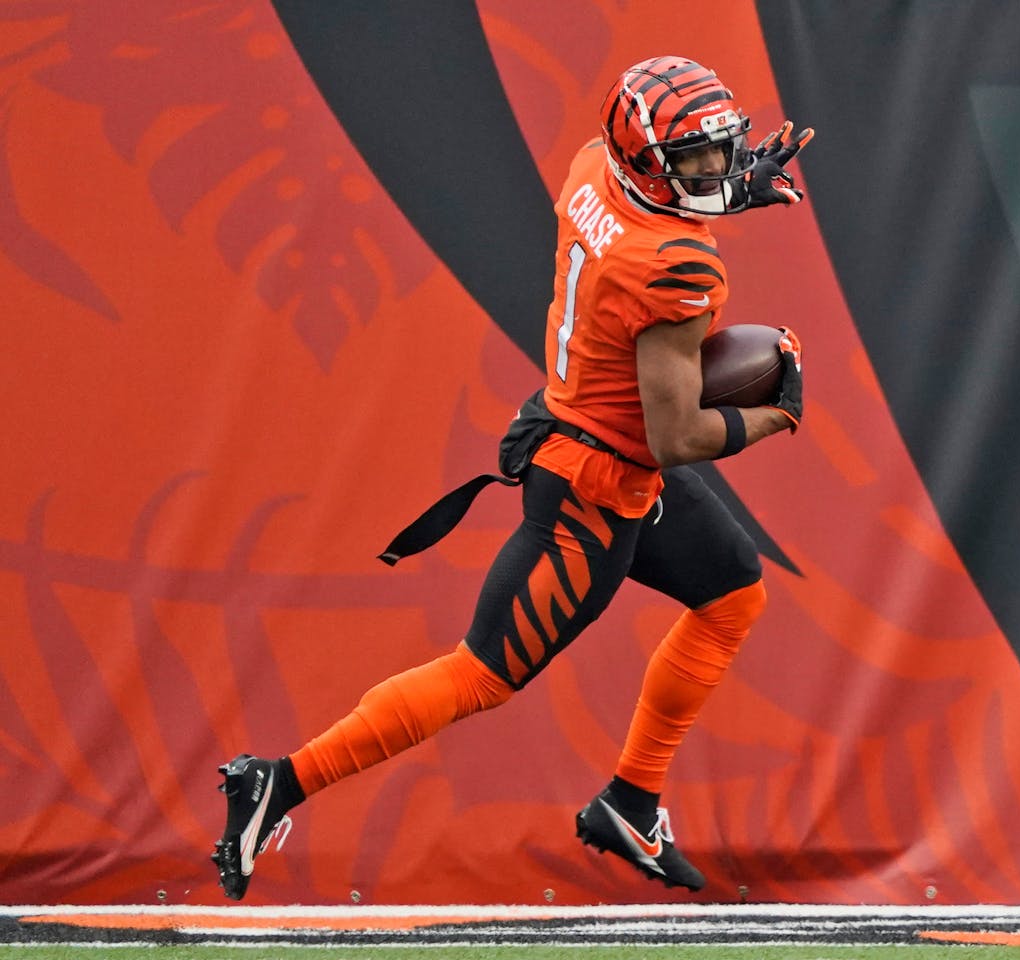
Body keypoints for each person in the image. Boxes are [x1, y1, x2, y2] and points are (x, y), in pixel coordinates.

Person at [210, 55, 813, 899]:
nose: (715, 172)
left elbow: (651, 211)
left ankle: (631, 801)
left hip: (591, 429)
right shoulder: (677, 267)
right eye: (697, 161)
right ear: (648, 163)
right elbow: (678, 435)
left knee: (732, 594)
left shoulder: (595, 166)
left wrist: (726, 188)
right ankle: (278, 780)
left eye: (718, 153)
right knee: (481, 673)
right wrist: (772, 414)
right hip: (595, 482)